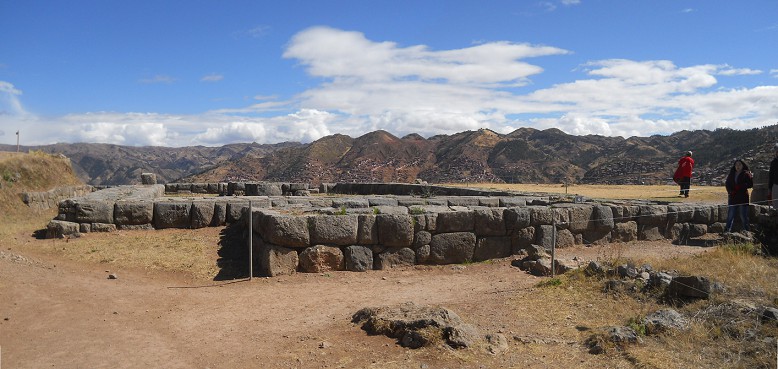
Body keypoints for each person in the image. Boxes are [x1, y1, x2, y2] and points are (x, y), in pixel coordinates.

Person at [724, 159, 753, 233]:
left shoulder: (746, 174)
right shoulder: (731, 173)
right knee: (730, 216)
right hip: (733, 197)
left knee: (743, 216)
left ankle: (747, 232)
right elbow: (727, 184)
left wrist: (740, 187)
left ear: (743, 165)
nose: (738, 166)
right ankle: (727, 231)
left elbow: (750, 184)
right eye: (736, 164)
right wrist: (730, 191)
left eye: (739, 164)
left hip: (742, 198)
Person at [769, 143, 778, 214]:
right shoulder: (773, 163)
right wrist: (770, 189)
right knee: (776, 206)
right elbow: (771, 176)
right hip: (776, 186)